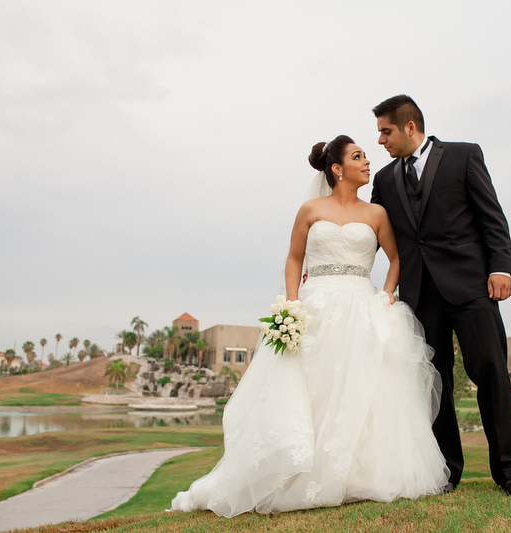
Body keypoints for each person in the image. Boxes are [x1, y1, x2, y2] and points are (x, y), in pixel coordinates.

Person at [171, 135, 449, 517]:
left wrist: (386, 295)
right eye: (358, 156)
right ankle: (293, 468)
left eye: (366, 155)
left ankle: (358, 473)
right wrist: (292, 304)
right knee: (310, 387)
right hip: (314, 305)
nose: (367, 161)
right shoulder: (309, 210)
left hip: (360, 306)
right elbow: (293, 258)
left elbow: (396, 260)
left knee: (360, 385)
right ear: (337, 169)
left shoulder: (377, 214)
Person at [370, 95, 511, 496]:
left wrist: (500, 267)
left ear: (410, 127)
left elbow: (491, 215)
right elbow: (371, 231)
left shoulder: (464, 156)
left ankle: (510, 470)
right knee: (434, 382)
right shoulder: (385, 180)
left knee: (491, 373)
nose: (380, 141)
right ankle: (446, 471)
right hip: (420, 294)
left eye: (385, 131)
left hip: (472, 286)